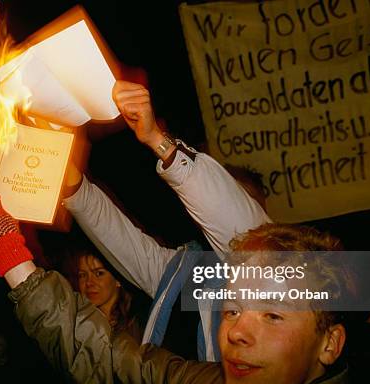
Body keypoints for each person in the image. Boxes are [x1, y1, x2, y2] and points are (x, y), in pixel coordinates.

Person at [0, 194, 363, 384]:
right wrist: (12, 260)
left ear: (330, 342)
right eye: (233, 309)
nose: (236, 331)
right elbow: (108, 359)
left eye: (272, 315)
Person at [60, 80, 271, 361]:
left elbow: (234, 217)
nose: (222, 207)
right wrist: (58, 158)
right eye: (231, 193)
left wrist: (157, 139)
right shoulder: (179, 272)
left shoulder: (278, 275)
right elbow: (108, 226)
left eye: (243, 200)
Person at [69, 245, 145, 343]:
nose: (89, 282)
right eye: (82, 275)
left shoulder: (136, 327)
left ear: (118, 280)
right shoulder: (77, 323)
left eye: (99, 273)